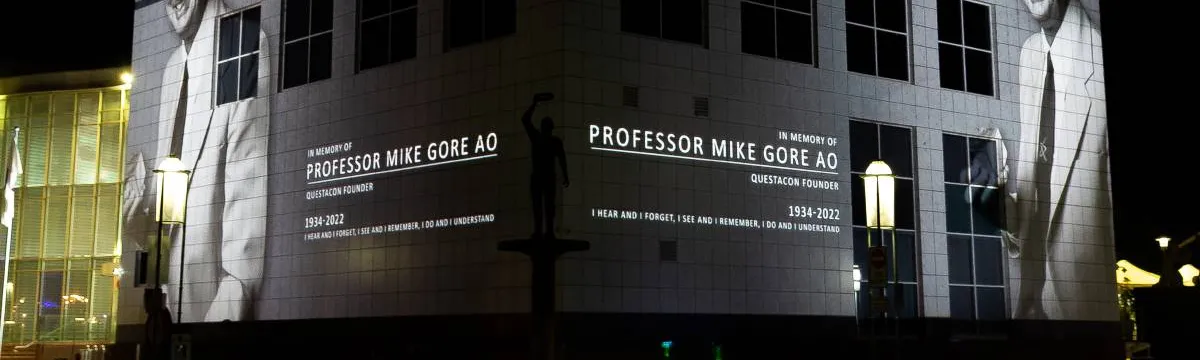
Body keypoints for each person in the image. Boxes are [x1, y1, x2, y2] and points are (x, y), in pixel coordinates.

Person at [122, 0, 272, 323]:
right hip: (164, 325)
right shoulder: (173, 69)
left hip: (208, 329)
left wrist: (203, 340)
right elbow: (172, 225)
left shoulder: (241, 43)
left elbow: (241, 273)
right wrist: (137, 222)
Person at [1004, 0, 1108, 320]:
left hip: (1088, 306)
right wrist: (999, 204)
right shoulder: (1031, 53)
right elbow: (1038, 178)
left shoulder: (1097, 57)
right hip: (1036, 303)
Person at [521, 93, 570, 239]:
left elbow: (525, 120)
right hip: (546, 177)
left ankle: (542, 231)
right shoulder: (553, 141)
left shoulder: (537, 138)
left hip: (540, 177)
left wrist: (534, 105)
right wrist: (566, 175)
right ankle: (546, 232)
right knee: (546, 206)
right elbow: (562, 159)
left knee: (542, 206)